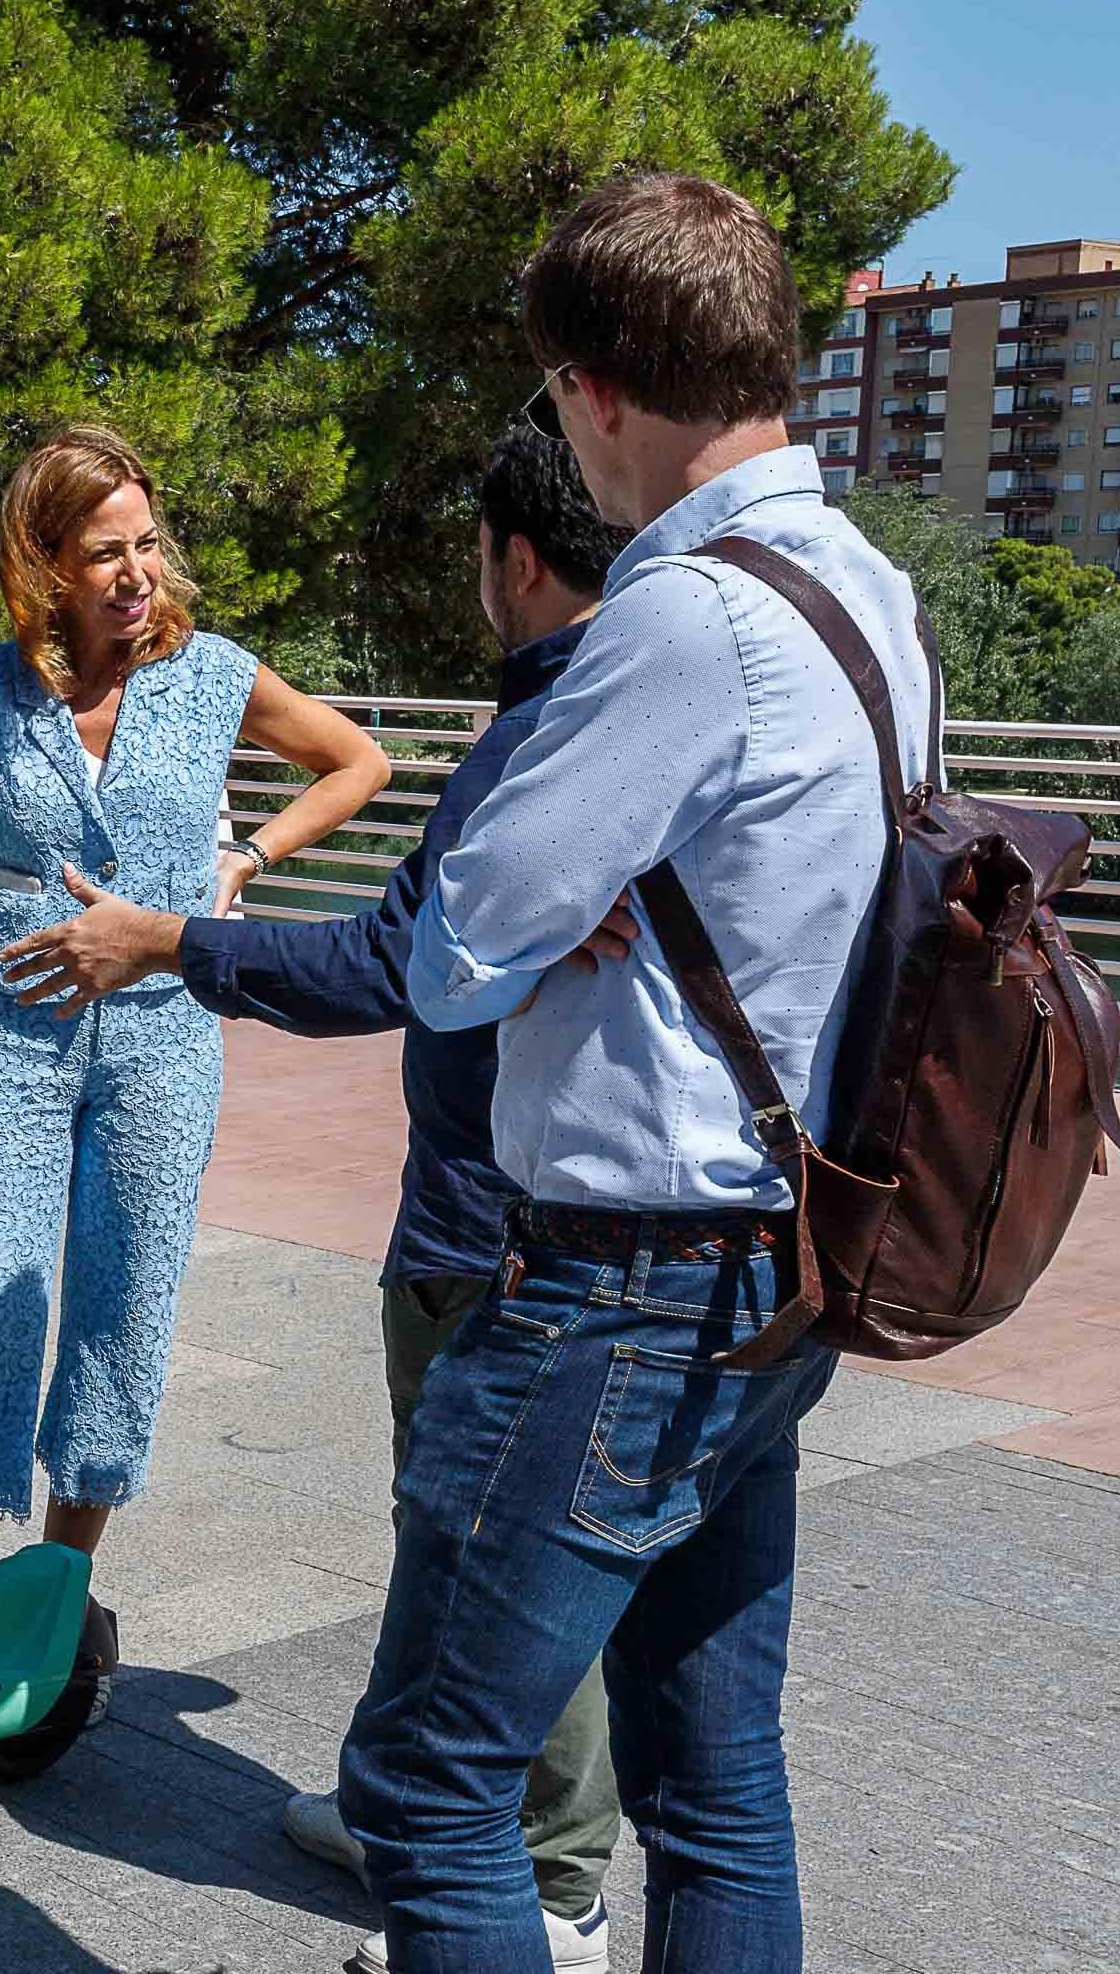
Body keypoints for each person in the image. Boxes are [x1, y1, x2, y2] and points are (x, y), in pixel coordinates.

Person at [336, 173, 933, 1974]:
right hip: (775, 1261)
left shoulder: (683, 620)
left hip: (618, 1290)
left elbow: (452, 949)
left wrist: (544, 895)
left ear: (593, 392)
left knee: (433, 1785)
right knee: (717, 1785)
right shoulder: (865, 589)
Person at [106, 426, 629, 1971]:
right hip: (486, 1209)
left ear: (513, 560)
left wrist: (174, 943)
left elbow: (395, 963)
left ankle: (552, 1887)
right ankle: (402, 1804)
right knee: (437, 1525)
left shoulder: (551, 735)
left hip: (508, 1229)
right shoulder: (614, 708)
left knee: (508, 1555)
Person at [0, 424, 388, 1654]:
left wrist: (247, 857)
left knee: (122, 1305)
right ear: (44, 564)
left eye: (147, 543)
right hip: (10, 1041)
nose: (138, 573)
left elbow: (359, 762)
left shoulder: (214, 675)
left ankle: (50, 1594)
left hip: (165, 1043)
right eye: (104, 552)